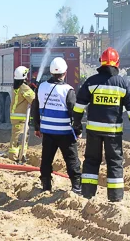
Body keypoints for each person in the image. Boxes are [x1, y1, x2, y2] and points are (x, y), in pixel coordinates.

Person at [73, 47, 130, 202]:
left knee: (91, 161)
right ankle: (115, 198)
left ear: (101, 63)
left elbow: (79, 105)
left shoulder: (91, 82)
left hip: (94, 131)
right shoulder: (123, 83)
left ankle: (88, 193)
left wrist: (77, 123)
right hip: (114, 132)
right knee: (115, 162)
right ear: (117, 63)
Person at [32, 57, 82, 194]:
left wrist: (37, 127)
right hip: (65, 132)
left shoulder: (41, 87)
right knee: (72, 160)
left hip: (47, 132)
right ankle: (76, 187)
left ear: (51, 71)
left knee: (46, 159)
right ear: (65, 72)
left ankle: (46, 186)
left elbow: (35, 108)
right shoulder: (68, 90)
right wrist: (78, 130)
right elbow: (75, 112)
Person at [7, 66, 36, 161]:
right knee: (19, 137)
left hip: (16, 116)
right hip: (21, 117)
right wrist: (35, 89)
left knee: (19, 136)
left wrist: (30, 88)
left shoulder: (17, 86)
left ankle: (20, 155)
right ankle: (14, 157)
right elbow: (33, 100)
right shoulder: (24, 87)